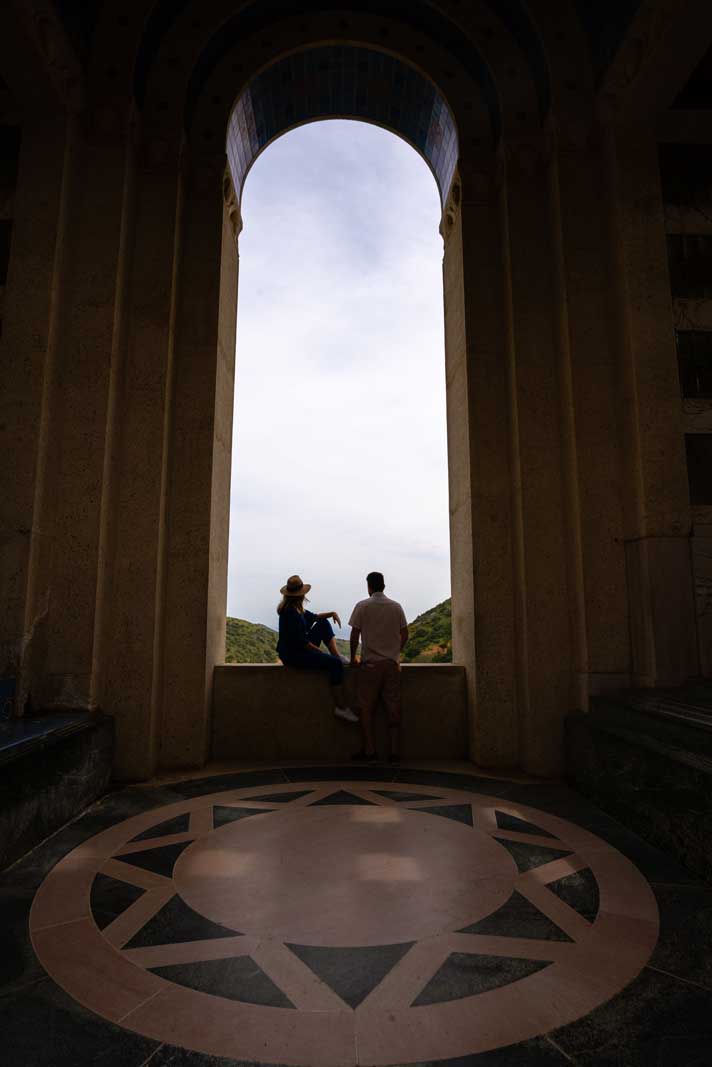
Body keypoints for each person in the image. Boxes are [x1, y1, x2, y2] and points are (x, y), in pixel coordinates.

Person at [276, 575, 358, 723]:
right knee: (335, 664)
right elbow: (302, 642)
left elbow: (315, 617)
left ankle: (337, 655)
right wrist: (320, 652)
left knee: (322, 623)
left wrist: (332, 613)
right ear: (301, 594)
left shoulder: (295, 608)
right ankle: (340, 707)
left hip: (298, 649)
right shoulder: (290, 613)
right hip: (294, 656)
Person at [349, 571, 408, 762]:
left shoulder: (362, 606)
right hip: (391, 665)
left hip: (370, 666)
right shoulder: (396, 607)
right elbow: (405, 633)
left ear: (369, 586)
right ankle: (394, 751)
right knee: (393, 707)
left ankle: (370, 750)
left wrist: (352, 658)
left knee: (366, 708)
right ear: (384, 585)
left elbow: (354, 635)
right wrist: (394, 652)